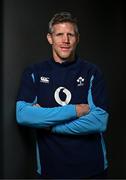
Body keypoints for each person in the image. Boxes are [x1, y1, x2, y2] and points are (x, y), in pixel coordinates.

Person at [16, 12, 109, 179]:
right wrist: (75, 110)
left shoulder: (92, 72)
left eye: (70, 35)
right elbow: (23, 114)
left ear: (77, 38)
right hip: (50, 169)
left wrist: (49, 125)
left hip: (92, 169)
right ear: (50, 38)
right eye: (59, 34)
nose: (65, 40)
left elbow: (99, 121)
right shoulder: (35, 72)